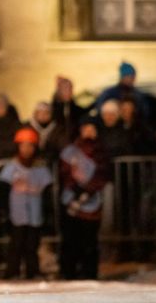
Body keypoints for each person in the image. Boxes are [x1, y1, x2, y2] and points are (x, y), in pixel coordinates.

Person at [58, 120, 110, 280]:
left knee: (89, 240)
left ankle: (89, 272)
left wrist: (88, 190)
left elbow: (102, 174)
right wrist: (75, 189)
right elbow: (65, 172)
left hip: (92, 203)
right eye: (86, 129)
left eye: (92, 129)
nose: (89, 132)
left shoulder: (101, 152)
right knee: (71, 238)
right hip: (71, 200)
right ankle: (69, 272)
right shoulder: (71, 151)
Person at [0, 127, 53, 280]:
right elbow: (3, 189)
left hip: (35, 212)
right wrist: (4, 211)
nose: (26, 149)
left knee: (32, 244)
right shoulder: (12, 166)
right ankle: (12, 271)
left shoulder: (40, 167)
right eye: (23, 146)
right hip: (17, 212)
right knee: (16, 243)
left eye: (30, 146)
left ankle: (32, 271)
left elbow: (47, 189)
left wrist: (48, 211)